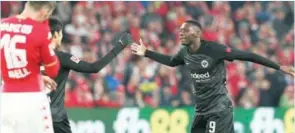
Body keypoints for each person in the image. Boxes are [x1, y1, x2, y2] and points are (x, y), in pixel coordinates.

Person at [131, 20, 294, 133]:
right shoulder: (185, 53)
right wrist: (146, 52)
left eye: (185, 30)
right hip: (201, 109)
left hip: (219, 108)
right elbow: (171, 61)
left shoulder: (214, 49)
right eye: (180, 30)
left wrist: (279, 67)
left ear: (197, 33)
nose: (180, 33)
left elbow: (248, 55)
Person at [44, 17, 133, 133]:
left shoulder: (30, 56)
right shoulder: (62, 57)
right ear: (55, 34)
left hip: (35, 114)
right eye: (60, 33)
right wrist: (120, 46)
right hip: (55, 117)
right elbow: (94, 67)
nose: (61, 37)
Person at [0, 2, 59, 133]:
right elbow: (53, 70)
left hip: (6, 99)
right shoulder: (40, 30)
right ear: (44, 12)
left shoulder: (2, 24)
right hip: (32, 100)